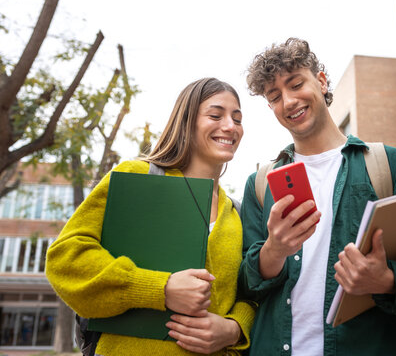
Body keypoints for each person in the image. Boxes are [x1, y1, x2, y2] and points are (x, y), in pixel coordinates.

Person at [237, 38, 396, 355]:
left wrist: (388, 280)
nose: (287, 101)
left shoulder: (389, 164)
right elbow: (244, 283)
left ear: (322, 81)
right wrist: (272, 251)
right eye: (274, 97)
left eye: (295, 84)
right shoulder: (259, 184)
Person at [46, 78, 255, 356]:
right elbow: (65, 259)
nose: (230, 126)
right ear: (186, 121)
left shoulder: (237, 213)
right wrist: (160, 289)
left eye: (237, 119)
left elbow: (251, 294)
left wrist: (234, 329)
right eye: (216, 115)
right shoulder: (136, 177)